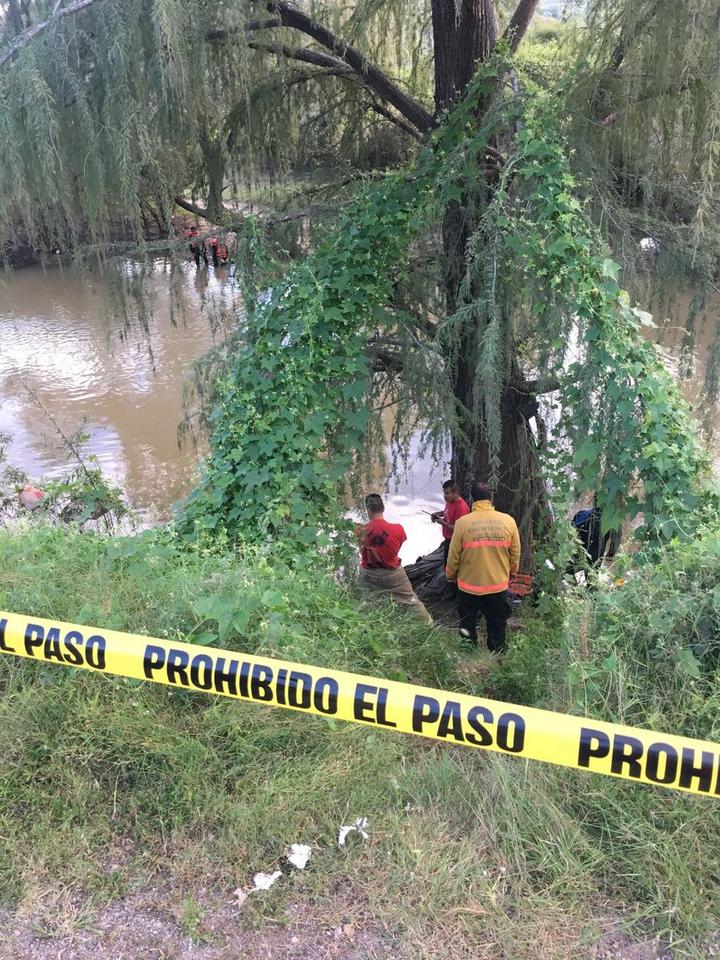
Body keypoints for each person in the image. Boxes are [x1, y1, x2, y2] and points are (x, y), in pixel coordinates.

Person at [445, 480, 521, 653]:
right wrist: (513, 573)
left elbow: (453, 555)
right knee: (497, 623)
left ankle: (468, 652)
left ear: (472, 499)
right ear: (491, 498)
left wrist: (450, 575)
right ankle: (496, 653)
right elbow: (515, 553)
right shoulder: (508, 521)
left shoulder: (462, 523)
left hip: (468, 587)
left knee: (467, 623)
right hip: (497, 586)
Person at [356, 494, 432, 624]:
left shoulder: (361, 530)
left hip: (368, 574)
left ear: (368, 509)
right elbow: (394, 550)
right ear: (383, 508)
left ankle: (365, 625)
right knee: (411, 600)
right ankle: (428, 625)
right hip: (393, 575)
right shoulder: (398, 529)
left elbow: (361, 550)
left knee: (364, 600)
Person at [430, 479, 470, 565]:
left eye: (447, 493)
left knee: (450, 565)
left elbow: (459, 529)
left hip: (455, 542)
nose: (444, 496)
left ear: (455, 493)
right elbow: (447, 512)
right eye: (444, 493)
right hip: (448, 540)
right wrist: (438, 514)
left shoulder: (461, 507)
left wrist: (443, 523)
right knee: (446, 564)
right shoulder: (450, 502)